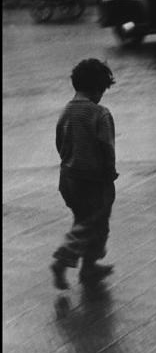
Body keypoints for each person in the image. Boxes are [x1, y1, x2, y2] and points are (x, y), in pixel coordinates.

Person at [50, 59, 118, 289]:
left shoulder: (67, 111)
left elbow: (60, 142)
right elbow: (106, 146)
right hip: (94, 179)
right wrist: (110, 171)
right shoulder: (100, 113)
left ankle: (89, 267)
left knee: (84, 219)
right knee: (94, 222)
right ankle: (64, 257)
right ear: (99, 88)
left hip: (69, 178)